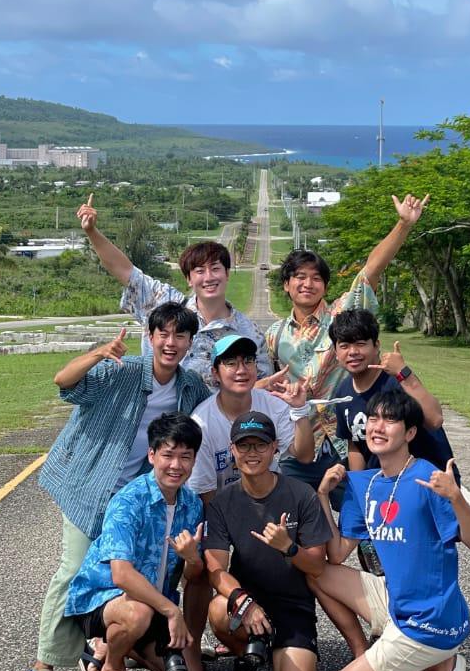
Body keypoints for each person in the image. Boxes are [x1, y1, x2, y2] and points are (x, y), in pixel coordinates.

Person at [23, 302, 208, 671]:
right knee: (74, 568)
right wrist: (96, 354)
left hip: (142, 493)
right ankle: (45, 663)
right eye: (164, 333)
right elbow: (64, 384)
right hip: (92, 484)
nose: (171, 343)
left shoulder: (190, 386)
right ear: (151, 335)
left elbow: (213, 409)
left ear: (190, 342)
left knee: (145, 568)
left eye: (180, 335)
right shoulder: (120, 371)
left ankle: (116, 642)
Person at [312, 389, 470, 671]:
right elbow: (335, 555)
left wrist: (456, 498)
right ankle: (380, 658)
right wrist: (322, 496)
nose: (379, 426)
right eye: (374, 418)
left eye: (391, 420)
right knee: (318, 573)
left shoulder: (428, 480)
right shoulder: (364, 484)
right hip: (396, 604)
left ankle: (431, 662)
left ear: (410, 433)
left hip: (431, 619)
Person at [265, 192, 429, 493]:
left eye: (316, 278)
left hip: (350, 442)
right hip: (300, 443)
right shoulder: (274, 334)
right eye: (299, 277)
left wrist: (403, 225)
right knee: (297, 527)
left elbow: (371, 270)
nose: (307, 284)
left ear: (325, 285)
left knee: (366, 520)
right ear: (286, 285)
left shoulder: (342, 314)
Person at [65, 412, 206, 671]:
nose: (176, 465)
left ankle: (124, 644)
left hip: (156, 602)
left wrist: (192, 558)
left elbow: (194, 575)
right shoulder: (129, 501)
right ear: (152, 455)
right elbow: (121, 575)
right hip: (104, 598)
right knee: (137, 613)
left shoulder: (192, 505)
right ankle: (112, 668)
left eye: (185, 457)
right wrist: (171, 612)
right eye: (168, 455)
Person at [204, 412, 333, 671]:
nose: (252, 453)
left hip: (292, 604)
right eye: (244, 446)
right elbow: (215, 569)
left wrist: (289, 547)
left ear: (275, 447)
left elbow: (316, 566)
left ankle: (275, 648)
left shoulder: (302, 494)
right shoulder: (222, 502)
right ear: (232, 449)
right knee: (217, 608)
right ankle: (246, 657)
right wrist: (243, 601)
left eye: (260, 445)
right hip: (249, 598)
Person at [77, 192, 270, 382]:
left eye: (215, 269)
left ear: (227, 274)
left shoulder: (248, 332)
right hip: (156, 410)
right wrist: (92, 232)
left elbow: (261, 381)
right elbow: (125, 271)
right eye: (199, 271)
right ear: (188, 279)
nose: (209, 277)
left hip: (215, 413)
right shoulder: (163, 302)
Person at [188, 334, 315, 500]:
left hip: (271, 500)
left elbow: (304, 456)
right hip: (223, 507)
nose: (241, 370)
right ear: (215, 373)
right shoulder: (201, 423)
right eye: (231, 363)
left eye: (248, 361)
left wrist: (299, 410)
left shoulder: (274, 405)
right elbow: (204, 491)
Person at [330, 309, 455, 474]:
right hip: (383, 484)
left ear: (376, 346)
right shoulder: (343, 393)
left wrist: (403, 372)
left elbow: (435, 420)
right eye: (344, 346)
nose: (353, 352)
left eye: (360, 344)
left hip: (430, 481)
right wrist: (358, 485)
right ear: (336, 352)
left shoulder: (398, 382)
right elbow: (355, 445)